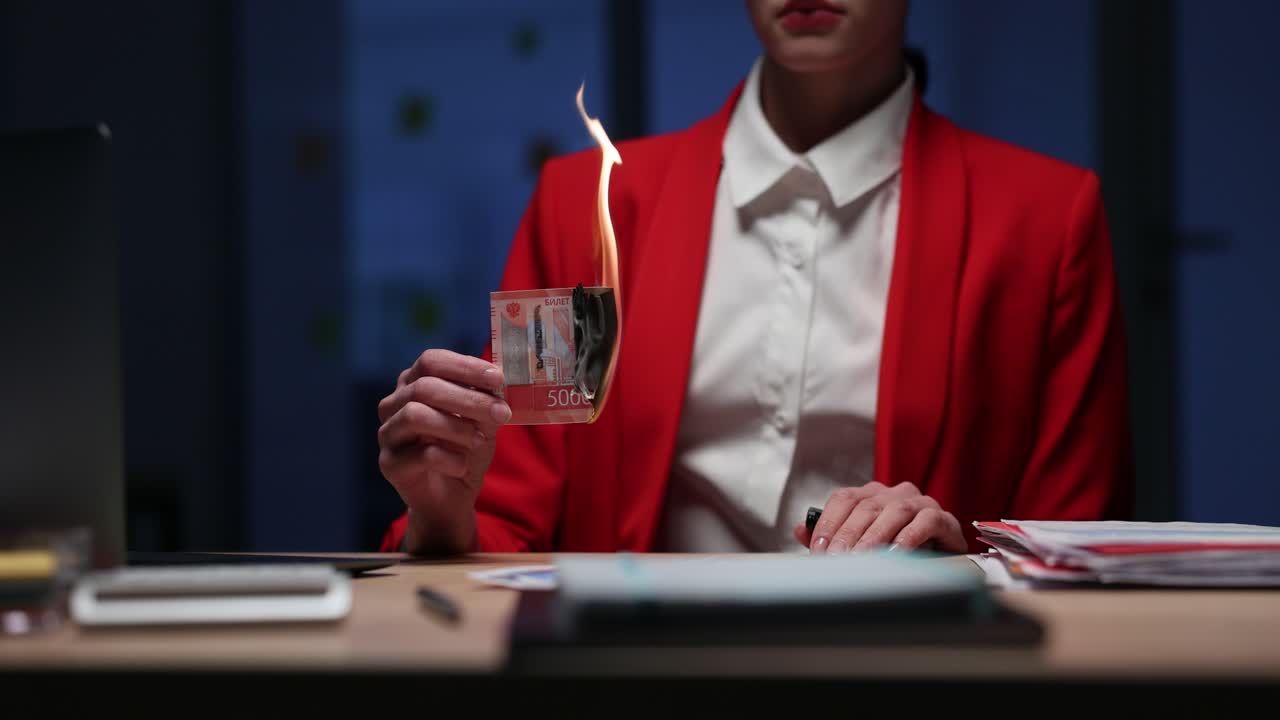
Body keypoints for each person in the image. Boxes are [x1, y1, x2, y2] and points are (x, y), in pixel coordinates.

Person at [375, 0, 1133, 556]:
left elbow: (1073, 556)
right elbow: (506, 522)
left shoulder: (1044, 220)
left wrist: (959, 563)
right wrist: (443, 508)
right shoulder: (588, 208)